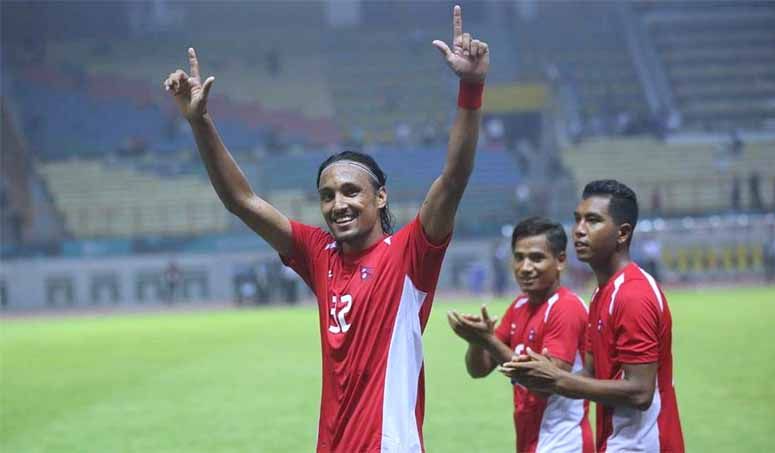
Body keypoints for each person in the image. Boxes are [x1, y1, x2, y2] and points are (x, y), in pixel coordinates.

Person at [163, 6, 489, 452]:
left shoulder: (410, 253)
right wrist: (200, 123)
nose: (338, 204)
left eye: (352, 192)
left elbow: (453, 178)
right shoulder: (319, 253)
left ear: (381, 197)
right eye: (328, 195)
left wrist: (471, 87)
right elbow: (241, 201)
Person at [499, 180, 684, 453]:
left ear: (622, 233)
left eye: (593, 221)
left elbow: (641, 392)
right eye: (578, 220)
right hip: (616, 442)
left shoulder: (633, 295)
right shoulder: (601, 294)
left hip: (645, 445)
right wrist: (538, 373)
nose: (579, 231)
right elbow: (590, 374)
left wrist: (557, 379)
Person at [447, 217, 593, 453]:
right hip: (532, 441)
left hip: (565, 443)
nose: (525, 267)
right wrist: (475, 341)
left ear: (560, 261)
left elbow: (545, 383)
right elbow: (479, 369)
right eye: (519, 257)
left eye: (536, 258)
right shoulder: (519, 306)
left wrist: (488, 340)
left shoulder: (566, 308)